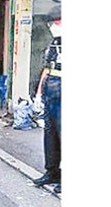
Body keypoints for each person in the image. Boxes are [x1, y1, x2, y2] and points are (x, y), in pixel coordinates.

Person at [33, 5, 62, 194]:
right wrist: (38, 93)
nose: (53, 25)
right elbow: (47, 69)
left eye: (57, 21)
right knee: (50, 135)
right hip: (51, 93)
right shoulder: (54, 44)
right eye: (52, 22)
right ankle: (52, 172)